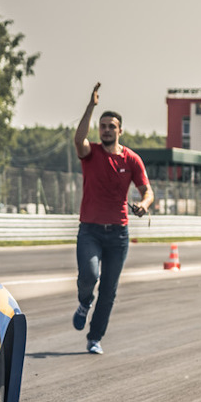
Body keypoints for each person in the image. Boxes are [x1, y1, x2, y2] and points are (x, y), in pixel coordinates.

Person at [72, 84, 152, 354]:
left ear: (120, 130)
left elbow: (147, 191)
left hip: (118, 235)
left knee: (109, 290)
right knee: (89, 276)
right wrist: (91, 106)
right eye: (102, 126)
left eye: (111, 126)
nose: (106, 130)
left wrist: (143, 204)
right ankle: (84, 302)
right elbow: (78, 139)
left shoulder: (132, 160)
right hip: (90, 231)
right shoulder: (90, 153)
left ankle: (95, 338)